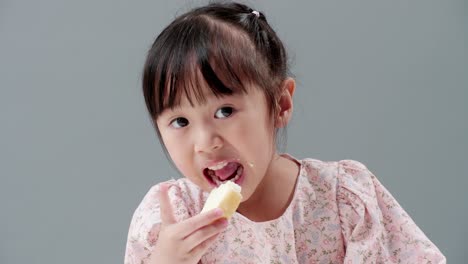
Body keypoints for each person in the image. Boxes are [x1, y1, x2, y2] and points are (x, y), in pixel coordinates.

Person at [124, 2, 446, 263]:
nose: (206, 142)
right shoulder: (170, 219)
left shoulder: (342, 200)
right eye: (180, 121)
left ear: (280, 104)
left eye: (224, 111)